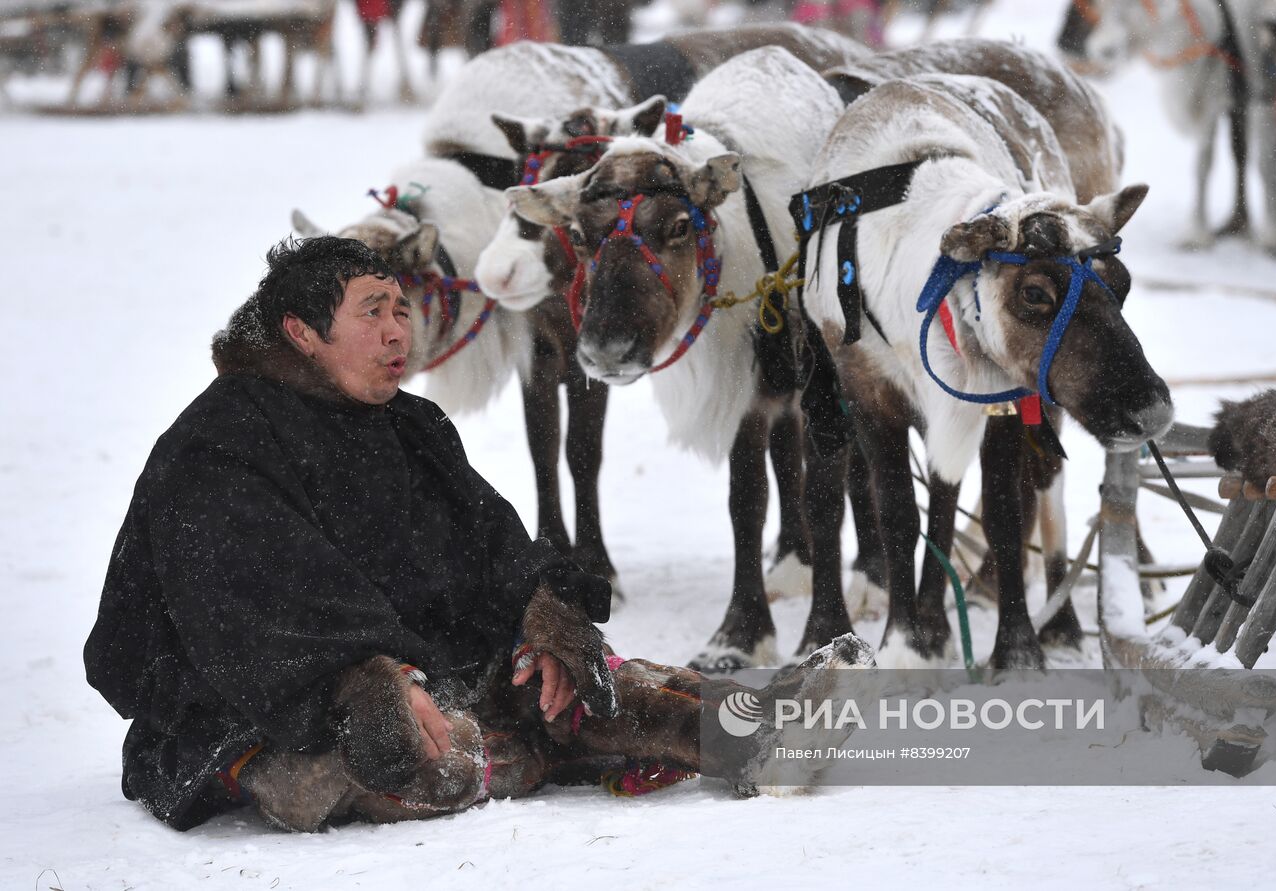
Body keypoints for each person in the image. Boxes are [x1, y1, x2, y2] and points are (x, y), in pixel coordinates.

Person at [85, 236, 868, 833]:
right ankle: (709, 735)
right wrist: (364, 673)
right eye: (372, 312)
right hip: (257, 713)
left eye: (402, 309)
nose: (399, 331)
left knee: (564, 677)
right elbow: (251, 607)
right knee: (439, 755)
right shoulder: (222, 442)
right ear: (301, 331)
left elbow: (492, 544)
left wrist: (542, 615)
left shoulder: (409, 425)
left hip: (419, 668)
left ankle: (746, 725)